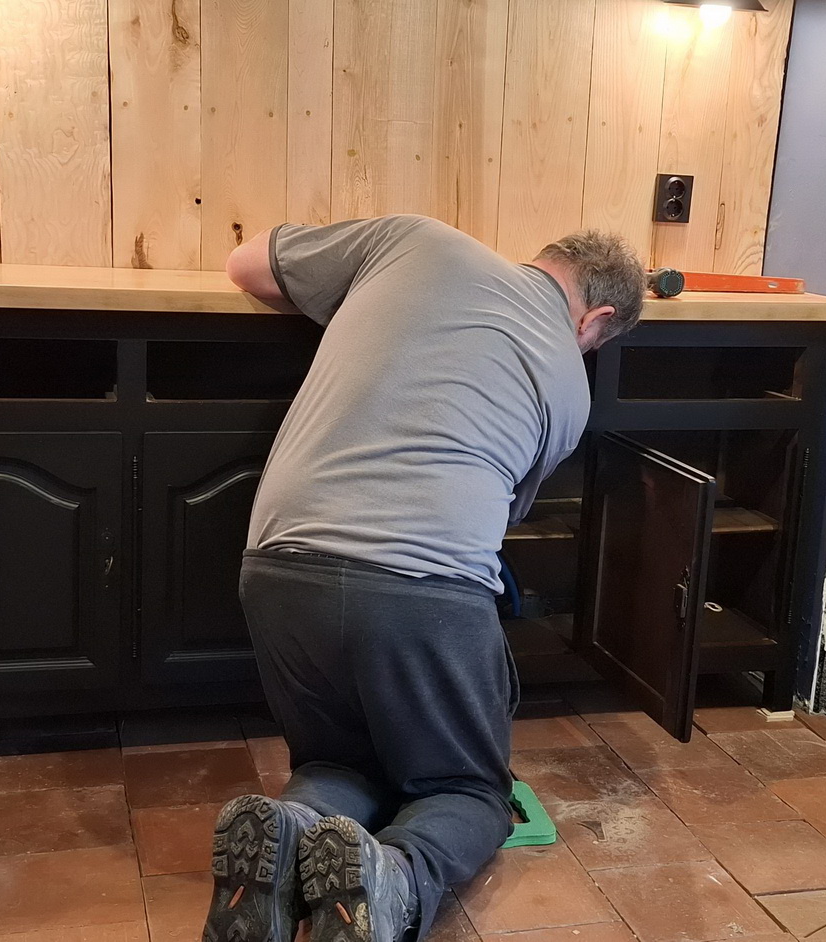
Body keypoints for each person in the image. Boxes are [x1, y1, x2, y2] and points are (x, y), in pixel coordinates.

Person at [203, 215, 646, 942]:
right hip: (421, 594)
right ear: (596, 319)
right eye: (595, 343)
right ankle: (397, 880)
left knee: (343, 757)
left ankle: (291, 831)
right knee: (468, 790)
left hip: (278, 571)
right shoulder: (570, 390)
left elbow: (245, 264)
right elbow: (494, 515)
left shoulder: (414, 240)